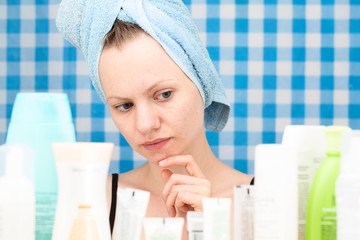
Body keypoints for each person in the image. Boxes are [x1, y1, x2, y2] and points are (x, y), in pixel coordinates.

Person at [56, 0, 254, 238]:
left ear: (201, 81)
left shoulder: (268, 204)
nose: (145, 124)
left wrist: (210, 229)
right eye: (124, 106)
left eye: (164, 95)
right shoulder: (92, 203)